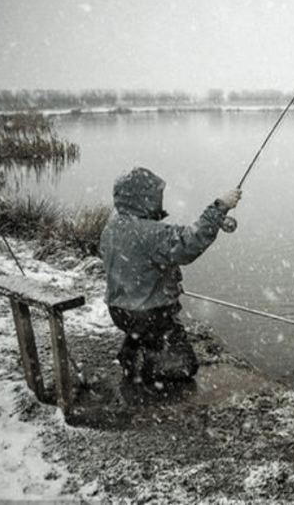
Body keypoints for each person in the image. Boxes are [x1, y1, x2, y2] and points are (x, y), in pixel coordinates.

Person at [99, 166, 241, 390]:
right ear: (143, 199)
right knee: (185, 368)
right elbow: (189, 243)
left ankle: (131, 351)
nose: (160, 201)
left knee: (142, 326)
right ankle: (150, 373)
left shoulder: (111, 228)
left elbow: (133, 266)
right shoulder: (152, 232)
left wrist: (165, 281)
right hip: (149, 315)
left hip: (118, 311)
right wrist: (219, 207)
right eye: (156, 196)